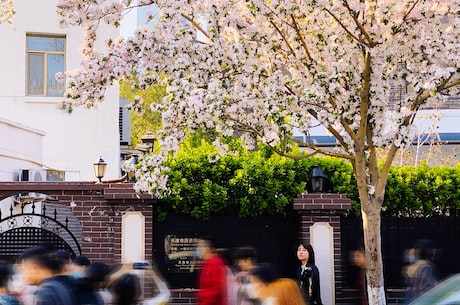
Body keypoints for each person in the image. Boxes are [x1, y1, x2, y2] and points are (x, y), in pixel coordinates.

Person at [196, 236, 228, 305]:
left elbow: (217, 289)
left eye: (200, 247)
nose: (198, 249)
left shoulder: (215, 263)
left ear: (207, 249)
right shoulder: (207, 264)